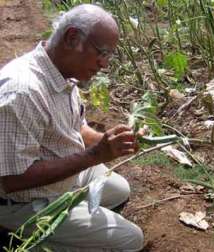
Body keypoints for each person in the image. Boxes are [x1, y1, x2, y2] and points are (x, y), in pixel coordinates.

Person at [0, 4, 144, 252]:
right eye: (102, 52)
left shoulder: (62, 72)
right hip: (20, 198)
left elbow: (77, 127)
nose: (105, 63)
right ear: (72, 38)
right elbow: (13, 179)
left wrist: (110, 142)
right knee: (131, 240)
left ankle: (69, 223)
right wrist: (95, 155)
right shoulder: (22, 91)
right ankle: (18, 234)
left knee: (119, 190)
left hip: (63, 169)